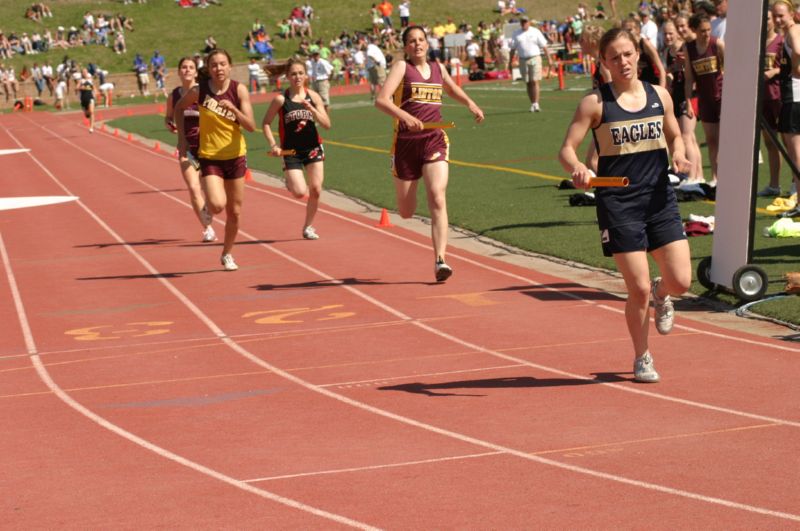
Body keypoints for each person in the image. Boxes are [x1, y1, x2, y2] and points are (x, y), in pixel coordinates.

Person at [558, 28, 691, 383]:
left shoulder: (658, 95)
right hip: (619, 204)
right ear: (603, 62)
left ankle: (665, 295)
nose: (623, 62)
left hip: (660, 199)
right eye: (614, 57)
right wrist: (579, 168)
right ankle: (642, 356)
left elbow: (674, 134)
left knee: (681, 281)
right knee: (638, 287)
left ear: (639, 55)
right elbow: (567, 149)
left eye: (628, 54)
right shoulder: (596, 103)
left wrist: (678, 152)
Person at [375, 25, 484, 282]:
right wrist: (405, 116)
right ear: (405, 47)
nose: (418, 44)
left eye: (421, 40)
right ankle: (437, 253)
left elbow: (451, 88)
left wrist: (470, 103)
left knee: (437, 195)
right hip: (405, 143)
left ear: (428, 42)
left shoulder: (438, 67)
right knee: (406, 212)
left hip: (434, 138)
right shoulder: (402, 68)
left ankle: (440, 260)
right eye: (412, 41)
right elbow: (381, 100)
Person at [174, 49, 256, 272]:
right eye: (214, 65)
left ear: (230, 66)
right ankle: (209, 208)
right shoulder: (199, 92)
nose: (219, 68)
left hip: (236, 156)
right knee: (218, 205)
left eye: (222, 64)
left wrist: (235, 111)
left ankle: (227, 253)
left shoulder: (239, 90)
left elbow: (251, 126)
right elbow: (179, 108)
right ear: (209, 69)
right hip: (210, 156)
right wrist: (182, 138)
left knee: (235, 212)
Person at [262, 58, 331, 241]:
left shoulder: (313, 96)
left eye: (301, 73)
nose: (297, 77)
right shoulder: (281, 99)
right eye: (293, 74)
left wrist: (313, 110)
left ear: (306, 75)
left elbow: (327, 124)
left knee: (315, 189)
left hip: (313, 148)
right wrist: (273, 145)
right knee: (300, 192)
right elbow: (266, 123)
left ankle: (308, 226)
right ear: (287, 76)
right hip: (290, 152)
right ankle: (289, 178)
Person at [166, 56, 216, 244]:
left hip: (208, 146)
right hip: (186, 148)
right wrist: (170, 125)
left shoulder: (203, 93)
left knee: (209, 190)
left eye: (191, 67)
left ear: (196, 72)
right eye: (184, 67)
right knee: (194, 188)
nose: (187, 70)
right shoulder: (175, 96)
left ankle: (209, 210)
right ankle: (208, 229)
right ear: (179, 72)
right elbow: (168, 117)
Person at [683, 13, 724, 187]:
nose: (706, 33)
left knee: (724, 139)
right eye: (702, 31)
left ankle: (727, 176)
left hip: (722, 96)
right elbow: (689, 77)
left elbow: (728, 70)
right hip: (705, 98)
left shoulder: (717, 44)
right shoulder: (689, 48)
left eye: (708, 30)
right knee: (711, 139)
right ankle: (715, 178)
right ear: (694, 30)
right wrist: (688, 101)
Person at [663, 17, 703, 183]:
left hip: (690, 95)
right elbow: (670, 72)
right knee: (687, 137)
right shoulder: (667, 51)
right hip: (677, 94)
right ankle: (698, 176)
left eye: (671, 33)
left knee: (687, 136)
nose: (668, 37)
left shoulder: (686, 46)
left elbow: (691, 73)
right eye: (665, 34)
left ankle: (693, 176)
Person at [774, 0, 800, 207]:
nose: (777, 19)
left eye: (781, 15)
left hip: (794, 97)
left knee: (796, 155)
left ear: (791, 13)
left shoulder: (793, 31)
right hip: (794, 96)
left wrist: (795, 69)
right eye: (775, 15)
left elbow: (798, 51)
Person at [759, 8, 784, 197]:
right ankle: (774, 185)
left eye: (768, 19)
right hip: (762, 98)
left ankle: (794, 184)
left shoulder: (781, 41)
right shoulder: (756, 43)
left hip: (778, 97)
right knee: (770, 143)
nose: (766, 22)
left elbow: (789, 67)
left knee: (789, 144)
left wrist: (773, 72)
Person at [509, 16, 550, 112]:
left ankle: (536, 103)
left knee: (535, 80)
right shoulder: (516, 33)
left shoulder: (535, 31)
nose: (524, 24)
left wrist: (549, 59)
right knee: (528, 82)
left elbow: (544, 46)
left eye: (525, 22)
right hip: (523, 59)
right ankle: (532, 103)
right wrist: (510, 61)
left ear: (529, 22)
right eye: (522, 22)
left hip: (534, 57)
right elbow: (512, 49)